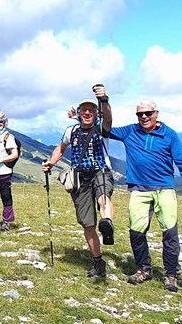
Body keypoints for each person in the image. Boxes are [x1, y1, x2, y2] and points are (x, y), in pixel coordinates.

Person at [103, 91, 182, 292]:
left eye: (148, 113)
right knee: (136, 231)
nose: (144, 117)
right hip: (138, 189)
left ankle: (171, 275)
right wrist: (93, 108)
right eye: (139, 114)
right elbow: (105, 129)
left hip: (164, 189)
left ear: (156, 113)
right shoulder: (130, 131)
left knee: (170, 232)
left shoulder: (169, 135)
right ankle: (144, 269)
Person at [42, 86, 115, 278]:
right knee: (87, 223)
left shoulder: (101, 127)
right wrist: (51, 163)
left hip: (100, 171)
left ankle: (107, 223)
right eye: (84, 110)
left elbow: (108, 118)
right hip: (79, 178)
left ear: (96, 113)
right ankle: (98, 262)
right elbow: (61, 149)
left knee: (103, 196)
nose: (87, 113)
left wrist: (104, 100)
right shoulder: (71, 130)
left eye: (91, 110)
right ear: (79, 113)